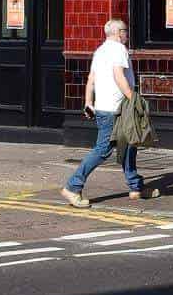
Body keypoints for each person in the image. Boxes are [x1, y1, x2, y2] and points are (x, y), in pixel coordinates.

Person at [62, 18, 156, 206]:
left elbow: (91, 79)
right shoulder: (118, 49)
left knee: (130, 144)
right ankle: (72, 187)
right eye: (126, 31)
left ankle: (135, 187)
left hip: (104, 108)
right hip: (117, 109)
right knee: (102, 150)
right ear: (118, 32)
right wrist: (133, 99)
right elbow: (118, 75)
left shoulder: (100, 51)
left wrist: (88, 102)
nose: (128, 34)